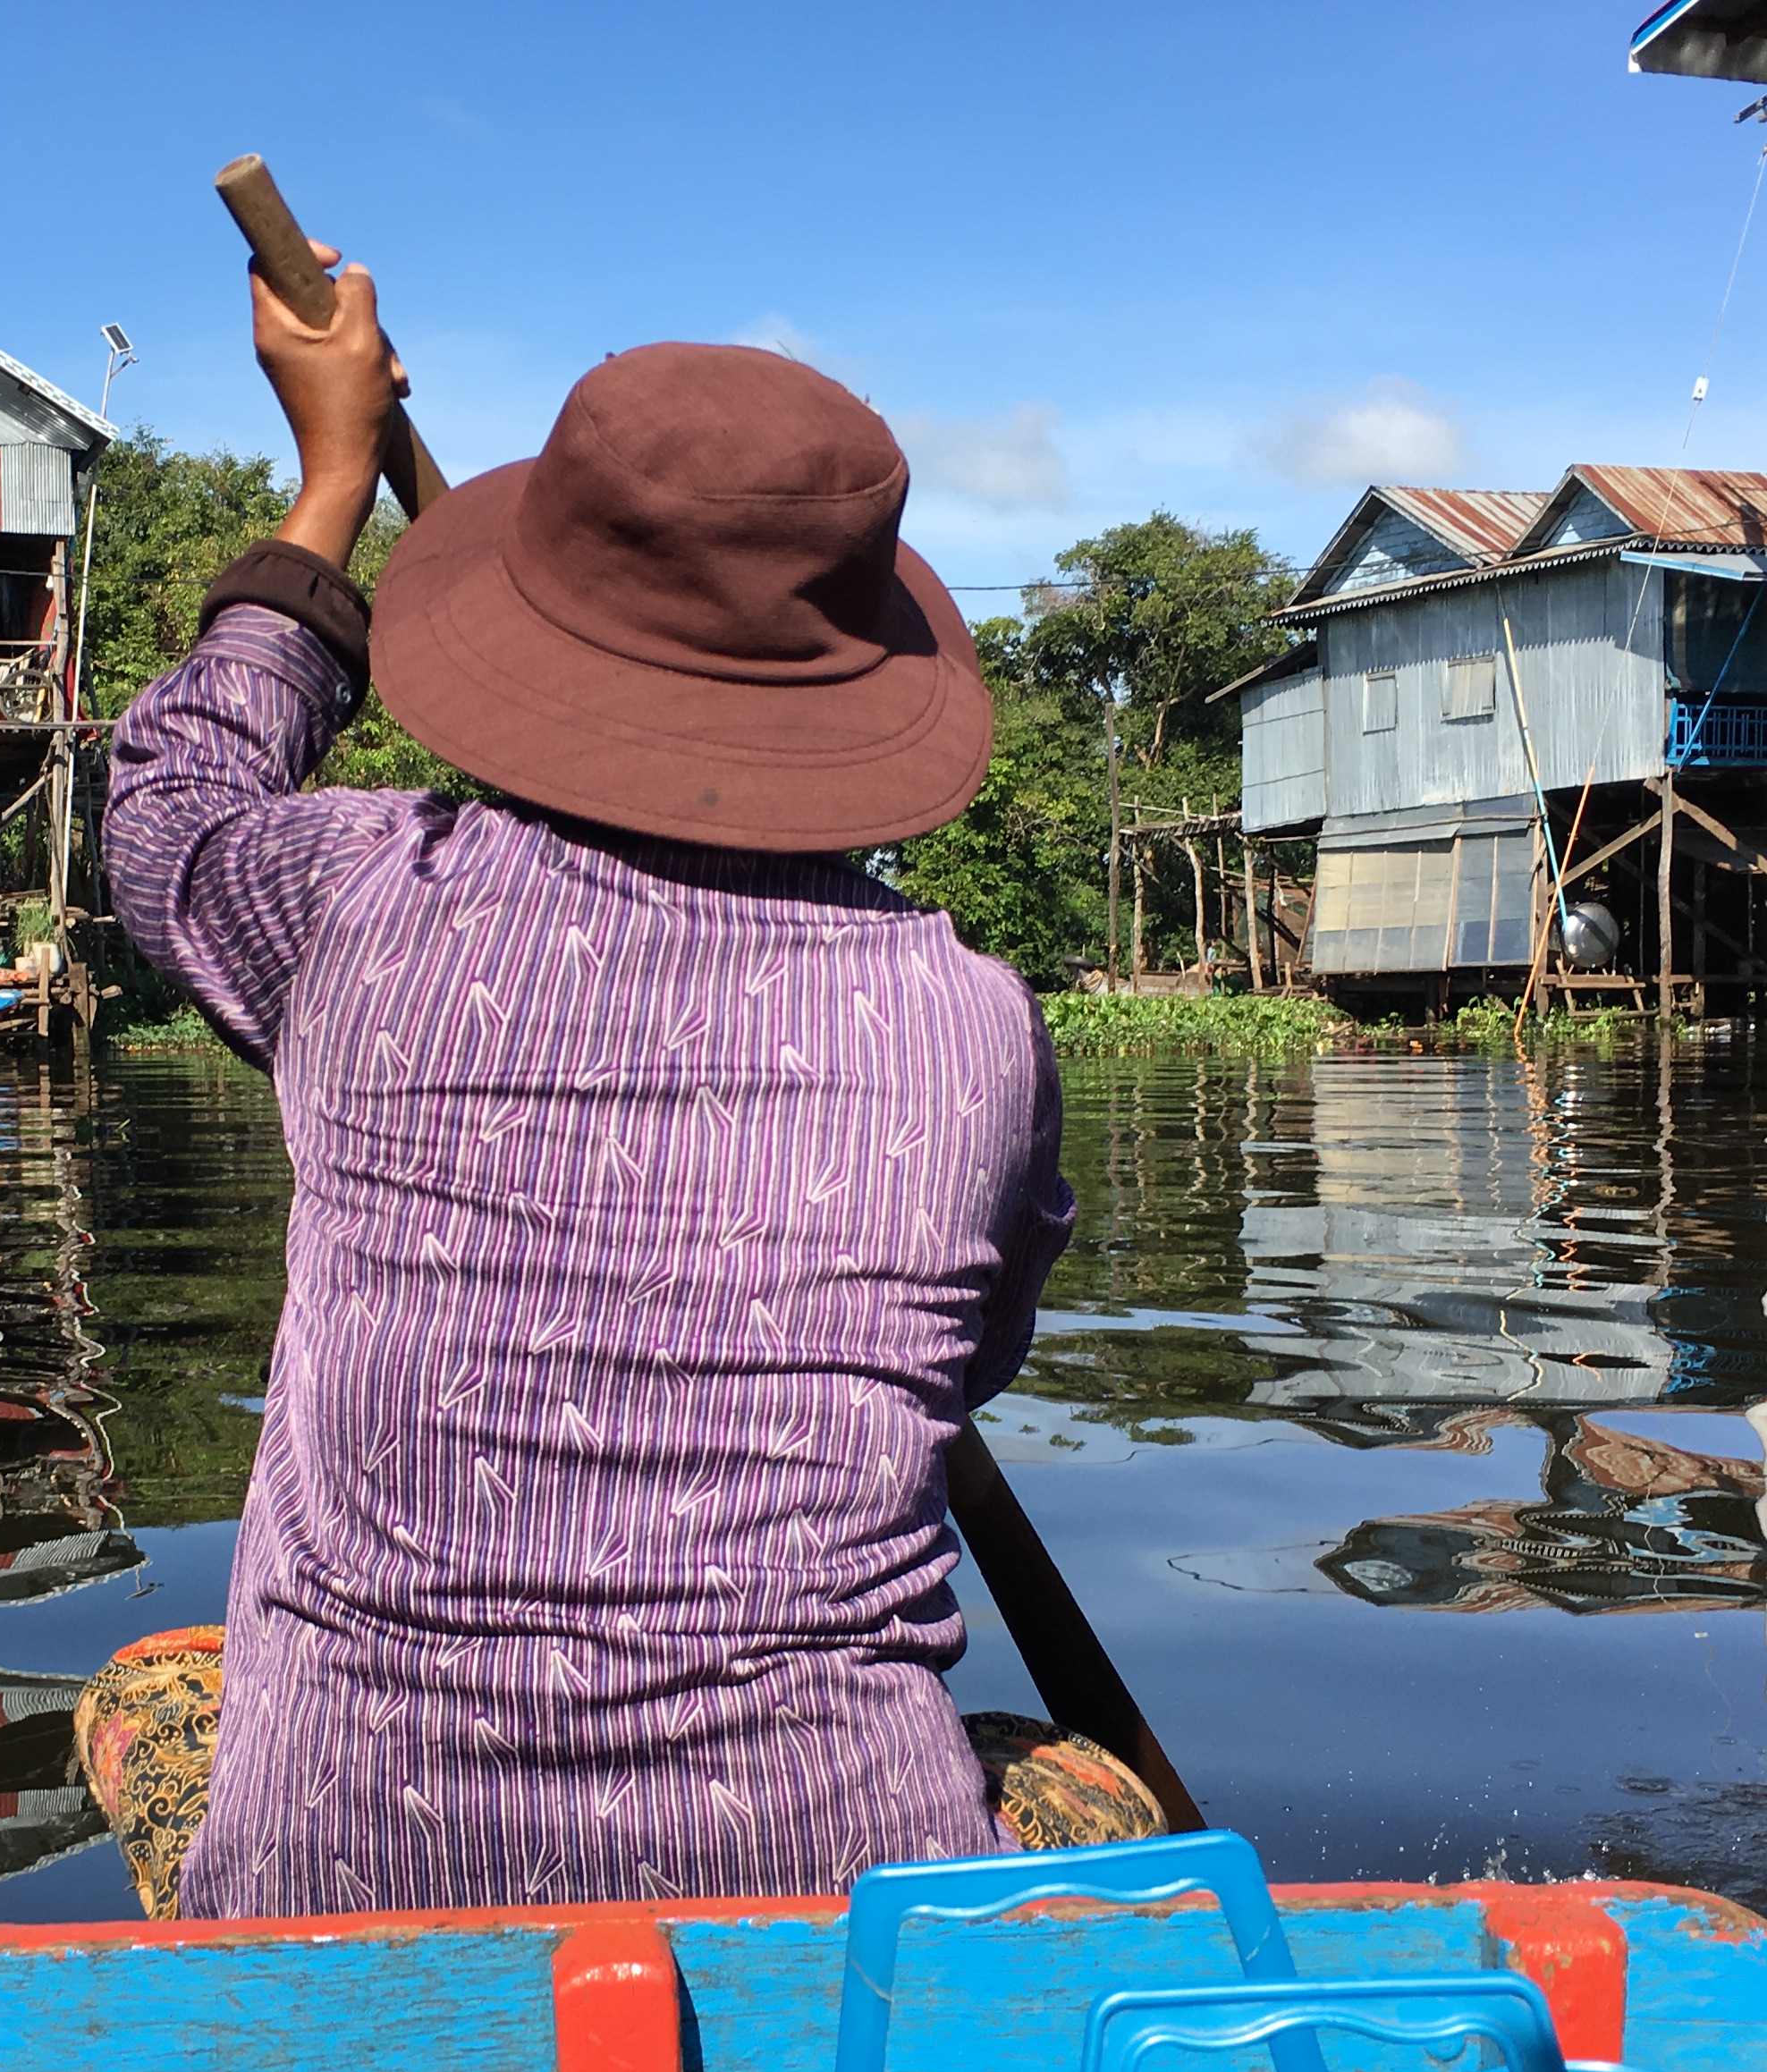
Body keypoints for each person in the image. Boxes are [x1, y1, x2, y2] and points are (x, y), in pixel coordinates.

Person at [83, 244, 1154, 1920]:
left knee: (151, 1693)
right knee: (1082, 1784)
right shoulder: (980, 1021)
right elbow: (972, 1362)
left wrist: (331, 481)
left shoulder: (352, 901)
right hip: (830, 1909)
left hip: (350, 1894)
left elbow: (169, 803)